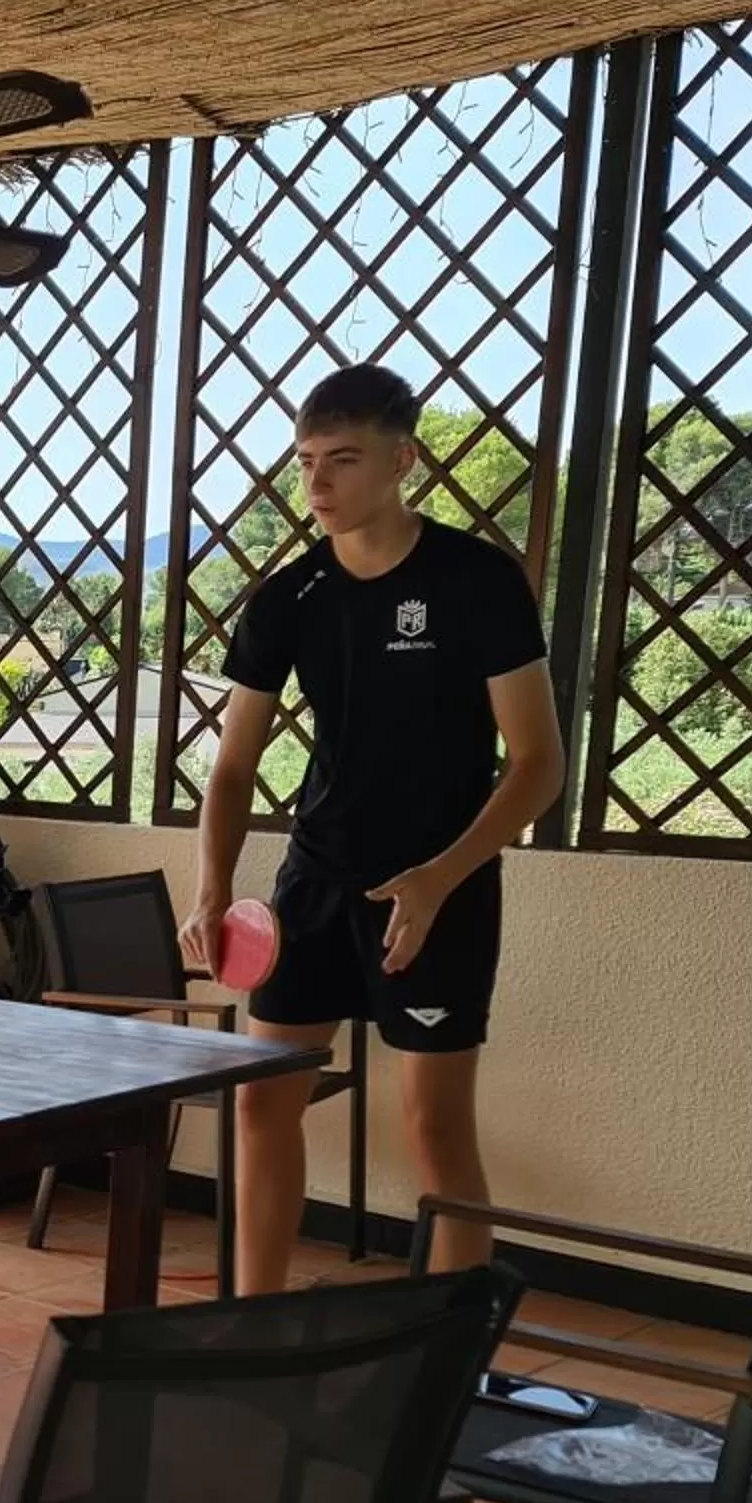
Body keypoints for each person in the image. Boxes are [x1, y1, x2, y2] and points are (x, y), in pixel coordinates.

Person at [179, 364, 564, 1296]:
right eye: (307, 462)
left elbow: (539, 766)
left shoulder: (476, 580)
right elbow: (232, 769)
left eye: (342, 461)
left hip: (440, 894)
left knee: (436, 1129)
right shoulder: (287, 600)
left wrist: (441, 875)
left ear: (403, 461)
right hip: (314, 886)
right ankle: (252, 1320)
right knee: (262, 1108)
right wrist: (210, 889)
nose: (317, 485)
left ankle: (444, 1349)